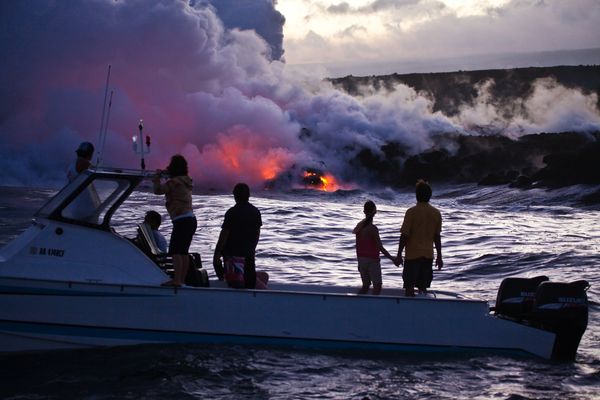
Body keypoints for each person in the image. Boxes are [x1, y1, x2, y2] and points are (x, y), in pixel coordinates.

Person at [153, 155, 197, 287]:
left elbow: (158, 191)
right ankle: (181, 280)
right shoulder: (185, 180)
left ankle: (177, 280)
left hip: (181, 220)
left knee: (175, 251)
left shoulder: (174, 182)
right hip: (191, 219)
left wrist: (156, 179)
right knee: (184, 252)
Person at [213, 183, 268, 289]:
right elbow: (257, 234)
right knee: (251, 281)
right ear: (249, 195)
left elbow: (224, 235)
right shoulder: (255, 212)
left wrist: (217, 254)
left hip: (232, 257)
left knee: (240, 284)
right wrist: (251, 249)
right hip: (248, 255)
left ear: (235, 196)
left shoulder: (232, 212)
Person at [395, 180, 443, 297]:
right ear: (430, 196)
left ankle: (409, 311)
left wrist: (399, 254)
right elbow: (437, 237)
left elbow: (404, 235)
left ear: (416, 195)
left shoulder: (411, 212)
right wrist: (439, 256)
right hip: (428, 256)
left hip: (412, 256)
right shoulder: (436, 213)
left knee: (409, 287)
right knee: (423, 287)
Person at [353, 200, 394, 295]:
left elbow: (357, 246)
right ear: (375, 212)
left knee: (365, 286)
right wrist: (393, 259)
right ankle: (373, 307)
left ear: (364, 212)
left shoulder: (359, 227)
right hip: (372, 260)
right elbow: (380, 247)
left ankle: (356, 302)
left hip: (361, 260)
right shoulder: (373, 229)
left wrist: (359, 262)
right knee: (377, 287)